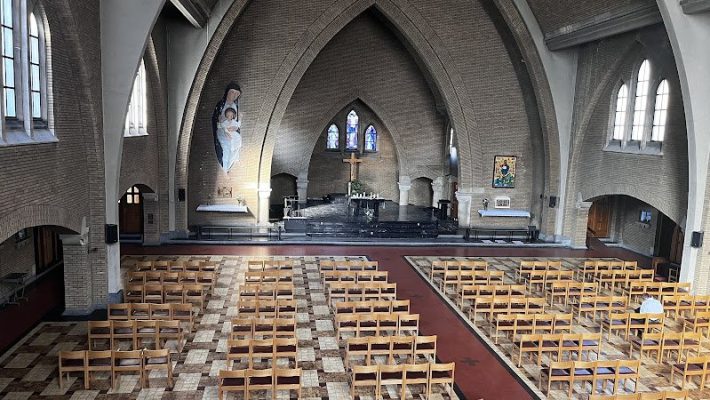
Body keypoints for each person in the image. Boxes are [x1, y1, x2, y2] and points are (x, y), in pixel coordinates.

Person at [212, 82, 242, 172]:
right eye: (232, 92)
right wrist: (224, 130)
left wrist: (235, 128)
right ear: (227, 92)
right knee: (227, 146)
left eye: (237, 94)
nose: (234, 95)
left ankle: (230, 164)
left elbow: (235, 122)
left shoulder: (235, 106)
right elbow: (216, 120)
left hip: (232, 130)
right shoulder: (221, 104)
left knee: (237, 143)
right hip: (222, 129)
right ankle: (225, 168)